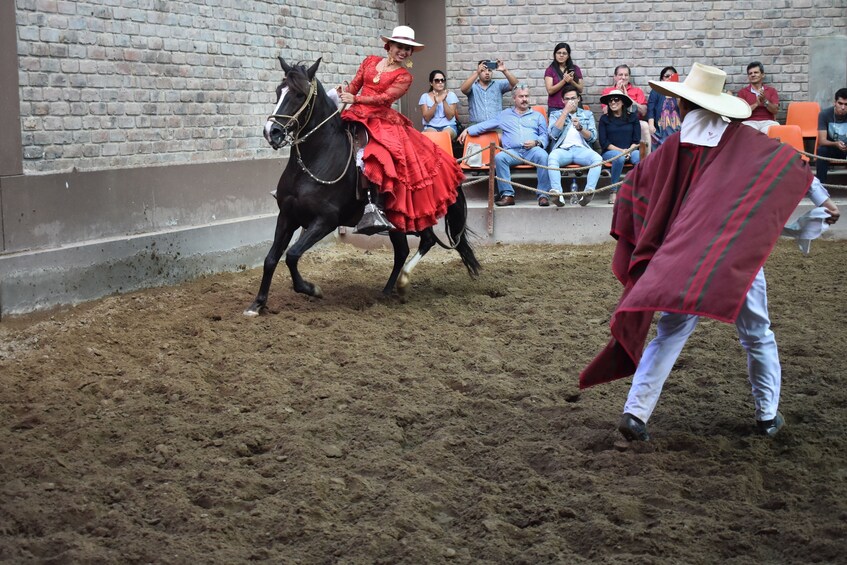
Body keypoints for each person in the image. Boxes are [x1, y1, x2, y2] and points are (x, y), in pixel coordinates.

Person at [578, 63, 841, 442]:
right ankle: (767, 416)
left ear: (684, 106)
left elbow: (634, 189)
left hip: (683, 256)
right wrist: (824, 200)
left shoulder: (672, 147)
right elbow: (792, 167)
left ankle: (635, 413)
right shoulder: (743, 141)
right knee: (757, 334)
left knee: (669, 332)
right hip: (734, 256)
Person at [339, 26, 464, 233]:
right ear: (389, 45)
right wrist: (341, 94)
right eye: (400, 46)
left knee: (380, 154)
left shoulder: (404, 76)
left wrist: (356, 98)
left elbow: (385, 98)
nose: (404, 52)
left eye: (408, 49)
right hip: (355, 113)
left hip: (381, 120)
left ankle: (375, 207)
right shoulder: (369, 61)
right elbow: (353, 86)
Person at [458, 84, 550, 207]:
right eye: (521, 96)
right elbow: (486, 125)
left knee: (543, 156)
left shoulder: (537, 116)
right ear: (514, 99)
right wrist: (468, 130)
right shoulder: (505, 115)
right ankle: (507, 195)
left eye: (526, 96)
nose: (524, 99)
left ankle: (543, 195)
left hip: (532, 150)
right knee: (500, 158)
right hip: (512, 152)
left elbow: (544, 135)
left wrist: (536, 142)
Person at [546, 84, 602, 207]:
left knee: (597, 159)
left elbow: (593, 137)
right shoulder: (555, 114)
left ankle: (588, 192)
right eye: (567, 99)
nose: (570, 101)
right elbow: (553, 135)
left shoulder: (587, 115)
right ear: (562, 100)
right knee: (552, 157)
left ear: (578, 99)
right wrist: (565, 112)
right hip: (563, 150)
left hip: (581, 150)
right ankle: (558, 195)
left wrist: (580, 128)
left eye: (573, 98)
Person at [598, 89, 640, 205]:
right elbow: (604, 142)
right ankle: (613, 191)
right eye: (610, 101)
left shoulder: (633, 118)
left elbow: (636, 140)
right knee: (619, 157)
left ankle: (638, 191)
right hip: (610, 152)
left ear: (622, 103)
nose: (612, 102)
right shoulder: (604, 119)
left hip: (631, 150)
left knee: (639, 158)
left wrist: (629, 151)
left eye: (616, 99)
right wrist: (622, 151)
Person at [601, 64, 650, 154]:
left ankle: (646, 158)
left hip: (634, 122)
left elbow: (643, 112)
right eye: (620, 75)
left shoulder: (637, 91)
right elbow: (605, 112)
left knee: (644, 125)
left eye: (626, 75)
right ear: (615, 77)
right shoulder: (607, 91)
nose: (623, 77)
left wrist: (626, 97)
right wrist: (617, 93)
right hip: (614, 121)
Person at [460, 59, 519, 125]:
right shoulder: (472, 87)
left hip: (496, 125)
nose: (487, 73)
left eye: (489, 70)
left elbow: (516, 85)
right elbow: (463, 89)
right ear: (479, 72)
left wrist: (505, 70)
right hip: (476, 125)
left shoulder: (498, 85)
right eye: (483, 70)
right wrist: (477, 73)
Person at [736, 61, 780, 133]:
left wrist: (765, 101)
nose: (753, 75)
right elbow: (741, 113)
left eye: (756, 72)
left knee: (775, 132)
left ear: (762, 75)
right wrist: (756, 104)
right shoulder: (742, 92)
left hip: (768, 122)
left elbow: (775, 110)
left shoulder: (771, 91)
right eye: (750, 73)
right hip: (749, 122)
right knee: (746, 132)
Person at [815, 87, 847, 183]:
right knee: (821, 150)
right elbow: (822, 140)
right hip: (832, 148)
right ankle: (821, 185)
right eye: (840, 103)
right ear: (834, 102)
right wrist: (836, 144)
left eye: (846, 104)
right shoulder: (824, 114)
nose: (843, 107)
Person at [543, 42, 584, 113]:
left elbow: (580, 89)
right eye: (559, 53)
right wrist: (564, 81)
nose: (561, 55)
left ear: (568, 56)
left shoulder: (575, 69)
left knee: (576, 123)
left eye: (564, 53)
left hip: (574, 106)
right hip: (556, 107)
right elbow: (550, 90)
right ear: (555, 54)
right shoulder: (550, 70)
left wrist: (572, 82)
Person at [646, 66, 681, 148]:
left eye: (672, 76)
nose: (669, 78)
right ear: (662, 79)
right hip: (660, 126)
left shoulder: (679, 92)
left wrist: (677, 93)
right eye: (667, 76)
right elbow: (650, 108)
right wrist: (651, 125)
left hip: (676, 124)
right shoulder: (656, 91)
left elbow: (682, 108)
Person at [419, 69, 459, 139]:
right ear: (431, 83)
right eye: (437, 80)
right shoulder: (425, 96)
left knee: (444, 136)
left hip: (449, 126)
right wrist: (435, 104)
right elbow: (426, 118)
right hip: (431, 126)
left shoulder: (451, 95)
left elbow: (450, 116)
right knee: (431, 136)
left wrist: (444, 101)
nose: (440, 82)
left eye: (442, 80)